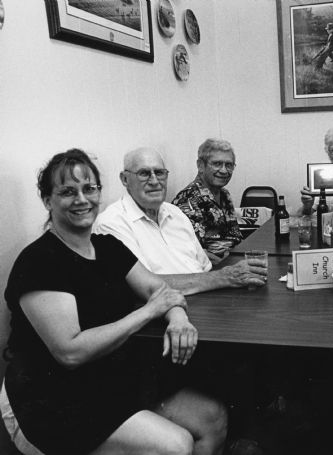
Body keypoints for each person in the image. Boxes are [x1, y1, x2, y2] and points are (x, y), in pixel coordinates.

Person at [0, 149, 227, 455]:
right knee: (175, 445)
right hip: (51, 400)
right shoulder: (40, 261)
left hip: (110, 383)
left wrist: (178, 319)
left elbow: (159, 290)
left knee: (213, 418)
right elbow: (70, 352)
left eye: (89, 189)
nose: (82, 199)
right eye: (68, 191)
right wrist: (147, 313)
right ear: (47, 200)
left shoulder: (107, 247)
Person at [95, 147, 266, 294]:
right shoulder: (111, 223)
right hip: (167, 315)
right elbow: (144, 286)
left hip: (207, 297)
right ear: (125, 179)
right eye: (144, 173)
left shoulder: (175, 213)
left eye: (160, 173)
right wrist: (225, 277)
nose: (154, 181)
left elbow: (204, 267)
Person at [172, 139, 243, 264]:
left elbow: (235, 237)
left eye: (229, 165)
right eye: (217, 164)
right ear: (200, 165)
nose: (224, 170)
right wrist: (231, 264)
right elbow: (195, 255)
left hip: (234, 261)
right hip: (212, 271)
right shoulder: (188, 199)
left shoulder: (224, 194)